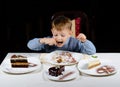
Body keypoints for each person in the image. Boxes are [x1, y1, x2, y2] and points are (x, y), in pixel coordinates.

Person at [27, 16, 96, 55]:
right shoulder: (48, 41)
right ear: (52, 32)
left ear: (70, 33)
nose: (59, 38)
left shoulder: (75, 42)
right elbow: (30, 46)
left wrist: (84, 41)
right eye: (55, 35)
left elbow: (92, 52)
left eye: (62, 35)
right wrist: (42, 40)